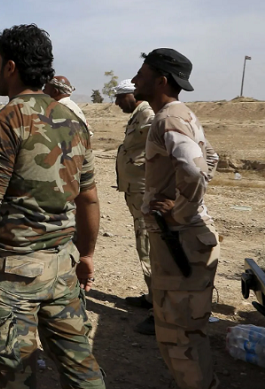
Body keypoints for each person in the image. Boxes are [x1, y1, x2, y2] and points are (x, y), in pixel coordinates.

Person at [0, 24, 105, 389]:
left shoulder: (5, 121)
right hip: (62, 266)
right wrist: (86, 254)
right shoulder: (73, 120)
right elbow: (88, 197)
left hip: (12, 275)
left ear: (11, 67)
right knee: (81, 368)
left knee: (15, 377)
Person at [131, 49, 220, 389]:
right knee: (187, 331)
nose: (136, 79)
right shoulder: (180, 114)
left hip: (180, 239)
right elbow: (210, 157)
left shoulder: (168, 118)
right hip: (183, 237)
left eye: (141, 73)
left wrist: (180, 211)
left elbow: (196, 170)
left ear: (161, 80)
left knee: (179, 337)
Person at [111, 80, 157, 334]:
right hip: (136, 191)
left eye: (120, 98)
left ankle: (159, 312)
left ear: (131, 95)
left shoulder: (148, 114)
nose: (117, 103)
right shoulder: (138, 115)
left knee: (149, 246)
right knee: (144, 244)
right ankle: (152, 297)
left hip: (145, 191)